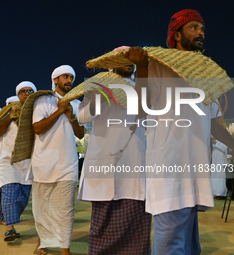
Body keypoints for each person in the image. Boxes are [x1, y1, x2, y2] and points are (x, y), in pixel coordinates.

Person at [134, 9, 234, 254]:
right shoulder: (157, 65)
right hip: (169, 170)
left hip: (194, 172)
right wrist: (141, 68)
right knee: (170, 247)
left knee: (189, 247)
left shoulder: (204, 73)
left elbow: (212, 123)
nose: (200, 32)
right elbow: (139, 109)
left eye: (202, 28)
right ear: (176, 35)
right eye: (194, 27)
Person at [77, 46, 151, 254]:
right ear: (111, 64)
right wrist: (102, 96)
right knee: (102, 228)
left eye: (131, 59)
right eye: (122, 58)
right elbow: (82, 117)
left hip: (133, 162)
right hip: (103, 164)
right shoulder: (96, 86)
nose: (128, 62)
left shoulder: (141, 85)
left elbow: (142, 110)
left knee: (136, 229)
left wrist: (143, 69)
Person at [31, 65, 84, 255]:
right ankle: (43, 243)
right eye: (65, 77)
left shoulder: (77, 104)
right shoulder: (43, 101)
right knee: (43, 207)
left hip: (67, 163)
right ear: (55, 79)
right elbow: (37, 128)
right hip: (43, 162)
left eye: (71, 77)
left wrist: (71, 117)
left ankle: (64, 248)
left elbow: (80, 133)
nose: (69, 80)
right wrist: (59, 111)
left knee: (66, 208)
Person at [0, 82, 37, 241]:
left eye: (30, 91)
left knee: (23, 198)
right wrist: (10, 116)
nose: (26, 94)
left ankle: (11, 220)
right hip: (7, 161)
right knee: (9, 193)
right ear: (18, 95)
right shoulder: (7, 111)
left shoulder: (37, 112)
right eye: (23, 91)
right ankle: (10, 228)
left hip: (27, 162)